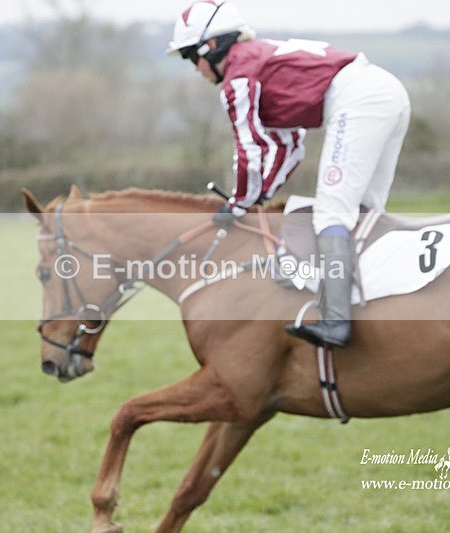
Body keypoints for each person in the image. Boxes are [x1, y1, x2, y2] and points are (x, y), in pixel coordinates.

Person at [167, 0, 411, 349]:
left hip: (358, 99)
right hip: (384, 90)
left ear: (212, 46)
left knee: (332, 212)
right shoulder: (257, 61)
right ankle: (376, 303)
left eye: (192, 57)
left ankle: (336, 321)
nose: (195, 68)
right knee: (364, 212)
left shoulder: (238, 77)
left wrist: (239, 204)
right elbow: (287, 148)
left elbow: (248, 148)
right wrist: (259, 196)